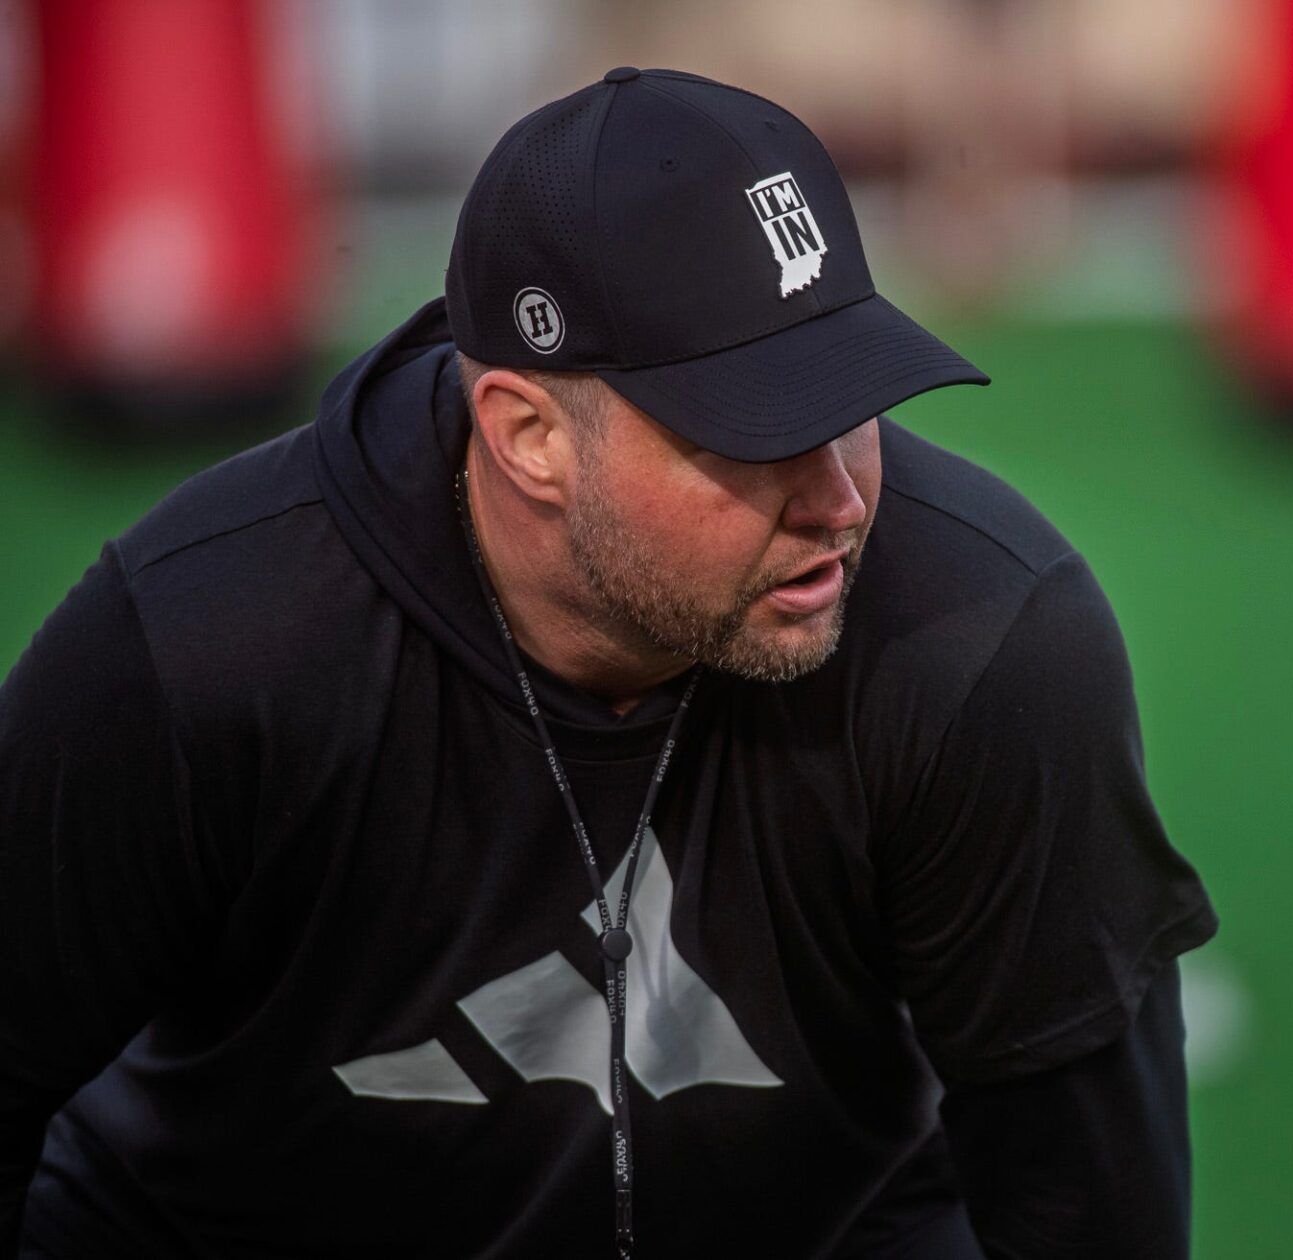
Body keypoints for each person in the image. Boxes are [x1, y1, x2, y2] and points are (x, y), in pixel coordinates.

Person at [0, 68, 1216, 1258]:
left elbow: (1087, 1206)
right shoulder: (208, 639)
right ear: (529, 436)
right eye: (760, 432)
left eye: (855, 402)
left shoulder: (981, 637)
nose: (842, 502)